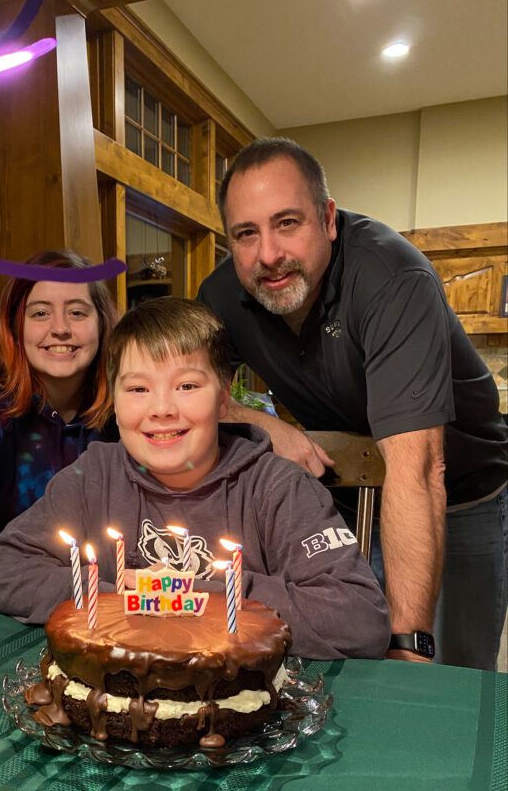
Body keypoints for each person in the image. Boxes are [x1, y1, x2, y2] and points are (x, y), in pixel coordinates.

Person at [197, 137, 508, 672]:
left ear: (328, 219)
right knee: (350, 661)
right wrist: (266, 425)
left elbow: (418, 469)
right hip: (344, 500)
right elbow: (190, 388)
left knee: (451, 675)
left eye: (287, 223)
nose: (268, 254)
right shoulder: (223, 295)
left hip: (461, 494)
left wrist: (409, 645)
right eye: (246, 234)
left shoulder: (392, 279)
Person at [0, 298, 390, 660]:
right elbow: (5, 573)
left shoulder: (277, 488)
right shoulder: (93, 477)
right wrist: (124, 599)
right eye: (138, 389)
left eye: (187, 385)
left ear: (224, 397)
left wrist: (197, 595)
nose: (161, 409)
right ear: (114, 401)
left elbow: (358, 617)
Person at [0, 250, 119, 600]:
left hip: (95, 597)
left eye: (77, 312)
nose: (60, 329)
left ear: (102, 322)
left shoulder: (124, 392)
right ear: (15, 323)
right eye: (40, 313)